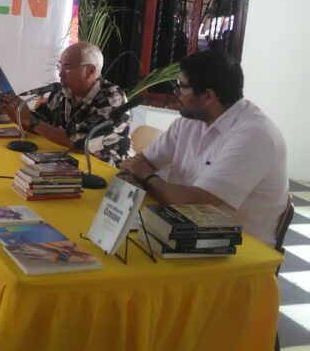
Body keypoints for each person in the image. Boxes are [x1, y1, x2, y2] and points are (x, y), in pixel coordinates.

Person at [120, 50, 289, 246]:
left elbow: (192, 205)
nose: (176, 93)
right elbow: (140, 162)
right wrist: (136, 175)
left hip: (236, 248)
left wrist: (146, 177)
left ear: (208, 96)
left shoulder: (255, 135)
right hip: (180, 228)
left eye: (182, 87)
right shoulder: (190, 121)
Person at [0, 41, 133, 166]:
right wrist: (7, 106)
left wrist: (32, 120)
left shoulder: (112, 97)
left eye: (67, 67)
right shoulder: (63, 91)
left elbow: (81, 143)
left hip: (103, 169)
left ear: (90, 71)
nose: (60, 74)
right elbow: (35, 126)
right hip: (67, 159)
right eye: (60, 66)